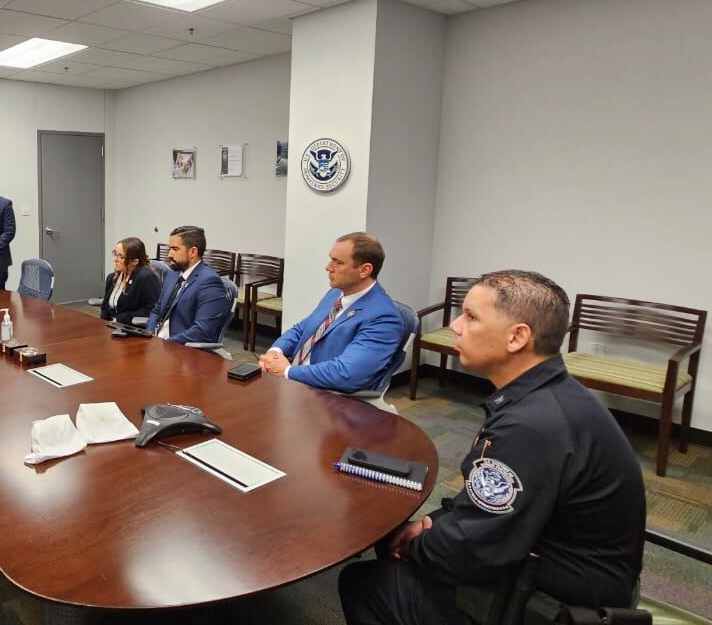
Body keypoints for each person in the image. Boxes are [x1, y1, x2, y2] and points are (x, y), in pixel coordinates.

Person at [339, 270, 646, 625]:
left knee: (363, 582)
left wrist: (414, 542)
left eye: (471, 316)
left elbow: (472, 548)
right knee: (396, 544)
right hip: (554, 561)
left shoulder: (531, 425)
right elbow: (484, 506)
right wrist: (429, 523)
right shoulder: (548, 396)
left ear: (517, 337)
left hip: (555, 605)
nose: (455, 325)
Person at [258, 232, 402, 393]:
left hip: (327, 397)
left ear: (364, 270)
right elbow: (301, 330)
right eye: (330, 259)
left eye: (338, 263)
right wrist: (275, 353)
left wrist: (287, 371)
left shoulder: (384, 318)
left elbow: (347, 374)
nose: (328, 267)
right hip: (295, 383)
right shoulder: (335, 294)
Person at [145, 226, 228, 343]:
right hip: (157, 342)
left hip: (181, 350)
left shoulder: (210, 282)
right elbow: (157, 309)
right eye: (170, 249)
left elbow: (202, 331)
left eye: (175, 249)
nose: (169, 254)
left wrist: (166, 343)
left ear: (193, 252)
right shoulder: (172, 273)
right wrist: (149, 332)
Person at [99, 236, 161, 324]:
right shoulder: (112, 277)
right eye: (115, 254)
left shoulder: (146, 277)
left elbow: (153, 310)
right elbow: (104, 307)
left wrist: (122, 318)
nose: (115, 259)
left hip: (131, 328)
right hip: (110, 326)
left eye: (121, 257)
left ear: (135, 261)